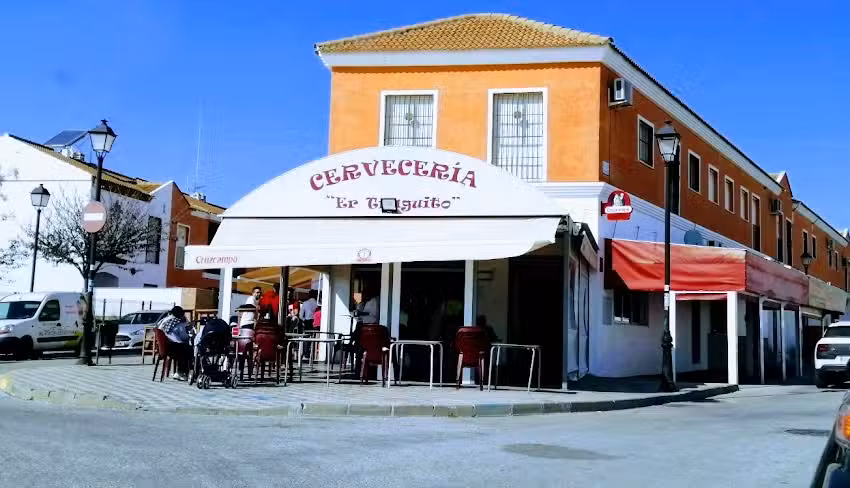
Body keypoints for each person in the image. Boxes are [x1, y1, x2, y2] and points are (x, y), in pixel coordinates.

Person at [157, 306, 193, 381]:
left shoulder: (165, 320)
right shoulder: (178, 323)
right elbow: (184, 337)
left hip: (164, 348)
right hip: (173, 349)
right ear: (181, 315)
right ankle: (181, 372)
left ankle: (180, 372)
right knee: (188, 350)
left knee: (184, 348)